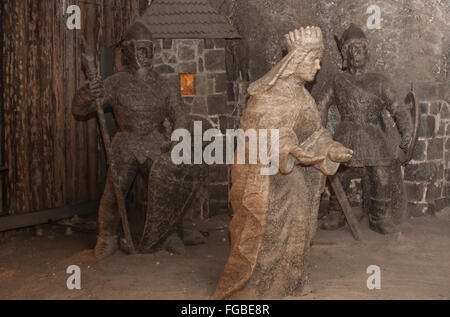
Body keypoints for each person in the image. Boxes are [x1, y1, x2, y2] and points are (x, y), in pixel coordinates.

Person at [212, 27, 353, 299]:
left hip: (293, 181)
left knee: (299, 226)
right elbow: (252, 141)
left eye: (319, 59)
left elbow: (314, 135)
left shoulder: (304, 99)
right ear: (296, 59)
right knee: (265, 238)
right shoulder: (265, 98)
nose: (318, 66)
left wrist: (331, 149)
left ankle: (289, 281)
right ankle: (256, 286)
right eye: (313, 59)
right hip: (264, 184)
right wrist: (284, 148)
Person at [72, 18, 199, 259]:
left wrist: (177, 138)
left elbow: (180, 115)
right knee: (113, 192)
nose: (146, 54)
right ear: (128, 50)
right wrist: (86, 94)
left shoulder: (163, 84)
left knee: (167, 190)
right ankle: (107, 237)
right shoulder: (116, 83)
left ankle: (167, 234)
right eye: (141, 49)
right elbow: (80, 110)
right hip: (126, 143)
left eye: (149, 49)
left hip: (155, 142)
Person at [317, 24, 412, 234]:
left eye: (361, 47)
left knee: (381, 174)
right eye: (352, 48)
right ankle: (337, 211)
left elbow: (398, 107)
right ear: (345, 54)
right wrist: (319, 134)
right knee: (338, 171)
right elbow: (321, 105)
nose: (357, 52)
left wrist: (407, 132)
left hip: (372, 134)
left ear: (367, 52)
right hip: (346, 131)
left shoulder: (379, 80)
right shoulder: (337, 80)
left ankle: (380, 216)